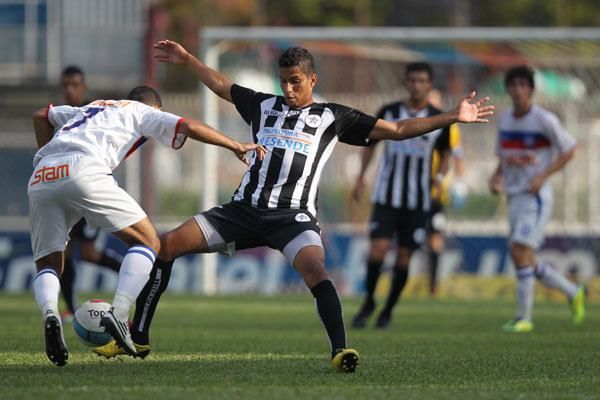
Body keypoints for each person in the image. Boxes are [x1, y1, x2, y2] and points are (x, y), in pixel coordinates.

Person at [92, 40, 493, 373]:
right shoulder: (263, 106)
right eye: (283, 81)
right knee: (166, 245)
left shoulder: (332, 117)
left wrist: (453, 116)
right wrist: (189, 60)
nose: (287, 89)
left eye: (295, 81)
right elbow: (223, 86)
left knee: (316, 269)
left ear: (312, 79)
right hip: (244, 209)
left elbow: (398, 130)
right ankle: (139, 339)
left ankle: (340, 351)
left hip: (293, 217)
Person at [29, 85, 263, 366]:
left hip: (43, 175)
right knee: (149, 242)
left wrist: (48, 156)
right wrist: (234, 145)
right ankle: (119, 311)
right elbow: (187, 125)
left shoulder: (90, 108)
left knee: (49, 264)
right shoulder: (142, 112)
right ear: (157, 108)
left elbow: (41, 115)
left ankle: (51, 314)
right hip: (85, 169)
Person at [350, 63, 452, 329]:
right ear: (406, 83)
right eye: (413, 80)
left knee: (404, 256)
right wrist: (361, 177)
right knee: (378, 250)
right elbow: (370, 145)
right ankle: (369, 300)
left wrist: (439, 178)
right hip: (386, 197)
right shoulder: (389, 112)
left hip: (418, 200)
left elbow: (446, 155)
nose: (417, 85)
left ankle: (388, 309)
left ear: (429, 85)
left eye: (422, 81)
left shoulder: (438, 118)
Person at [488, 65, 585, 333]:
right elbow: (504, 156)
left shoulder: (544, 119)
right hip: (515, 195)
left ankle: (524, 318)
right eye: (514, 84)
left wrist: (543, 176)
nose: (518, 90)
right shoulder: (505, 119)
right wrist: (496, 177)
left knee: (519, 250)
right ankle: (573, 291)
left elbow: (570, 149)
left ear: (531, 89)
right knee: (525, 256)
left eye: (523, 85)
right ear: (508, 89)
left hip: (536, 196)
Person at [57, 65, 124, 322]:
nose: (70, 90)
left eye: (75, 85)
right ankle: (72, 310)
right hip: (64, 189)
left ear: (83, 87)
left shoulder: (93, 112)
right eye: (65, 85)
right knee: (63, 251)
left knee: (87, 253)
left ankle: (134, 274)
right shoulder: (61, 115)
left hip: (88, 189)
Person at [426, 90, 467, 297]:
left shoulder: (449, 127)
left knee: (435, 236)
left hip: (437, 192)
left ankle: (433, 287)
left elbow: (457, 155)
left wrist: (460, 183)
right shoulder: (416, 124)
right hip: (414, 190)